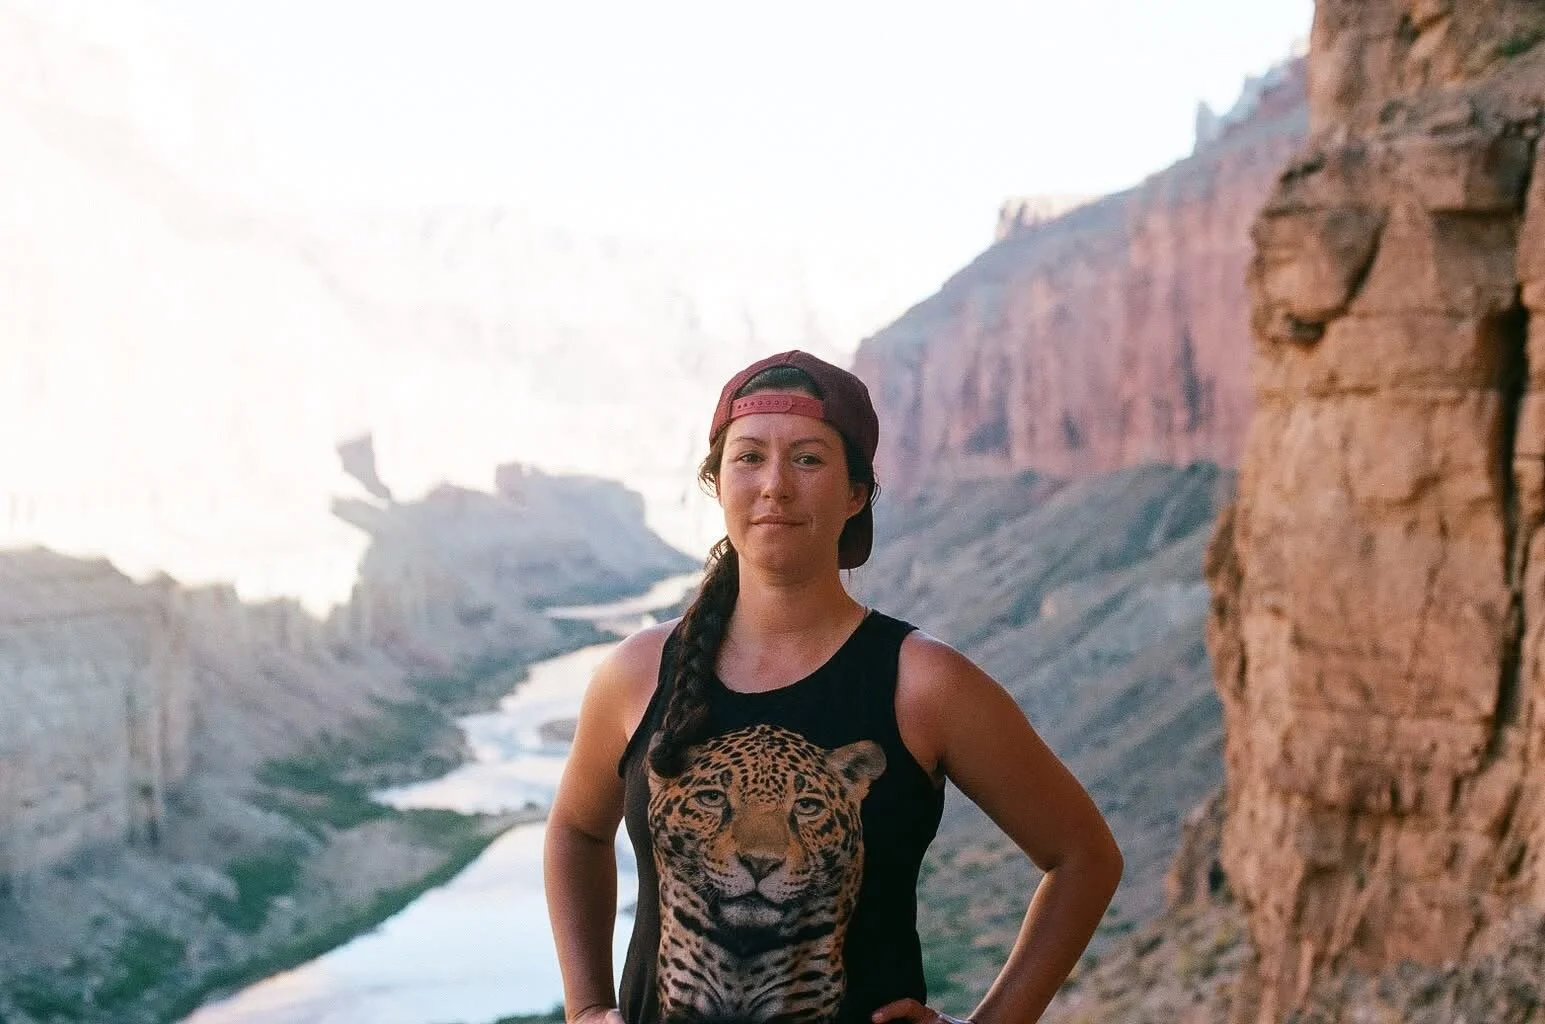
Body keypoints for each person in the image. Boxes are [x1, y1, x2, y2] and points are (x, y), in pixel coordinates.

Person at [544, 350, 1123, 1024]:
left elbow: (1083, 857)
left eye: (809, 459)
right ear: (716, 482)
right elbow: (575, 831)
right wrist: (586, 1007)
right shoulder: (638, 671)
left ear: (855, 493)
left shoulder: (922, 682)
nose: (775, 487)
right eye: (749, 457)